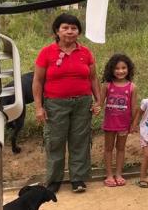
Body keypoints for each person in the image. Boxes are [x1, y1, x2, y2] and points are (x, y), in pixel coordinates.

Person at [33, 13, 101, 194]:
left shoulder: (85, 52)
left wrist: (98, 100)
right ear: (57, 30)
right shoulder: (46, 52)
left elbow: (93, 78)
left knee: (80, 141)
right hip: (55, 104)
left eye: (74, 28)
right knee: (55, 141)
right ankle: (54, 180)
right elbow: (37, 81)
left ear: (78, 31)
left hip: (82, 103)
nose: (70, 32)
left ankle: (78, 179)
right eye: (65, 28)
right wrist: (39, 107)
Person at [99, 53, 137, 187]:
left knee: (121, 149)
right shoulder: (107, 85)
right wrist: (95, 108)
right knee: (108, 148)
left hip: (123, 125)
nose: (120, 71)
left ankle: (119, 174)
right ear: (111, 70)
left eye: (123, 68)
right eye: (117, 68)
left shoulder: (132, 87)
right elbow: (100, 103)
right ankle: (109, 175)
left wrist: (134, 124)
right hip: (110, 124)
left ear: (128, 69)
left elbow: (134, 107)